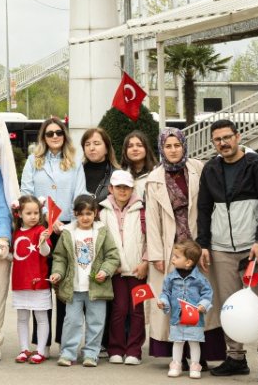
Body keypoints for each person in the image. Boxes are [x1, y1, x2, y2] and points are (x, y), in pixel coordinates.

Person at [197, 119, 258, 382]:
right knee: (228, 305)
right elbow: (203, 209)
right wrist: (203, 244)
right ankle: (235, 357)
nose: (223, 143)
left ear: (238, 136)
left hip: (253, 248)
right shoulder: (210, 169)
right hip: (221, 249)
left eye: (227, 137)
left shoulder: (257, 165)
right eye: (218, 139)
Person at [143, 127, 213, 361]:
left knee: (198, 294)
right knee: (173, 295)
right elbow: (152, 220)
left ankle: (199, 355)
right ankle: (176, 355)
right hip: (169, 245)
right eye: (168, 146)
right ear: (161, 149)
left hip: (196, 241)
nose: (173, 150)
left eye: (177, 145)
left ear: (184, 146)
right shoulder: (154, 178)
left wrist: (205, 242)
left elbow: (208, 206)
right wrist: (156, 254)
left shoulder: (198, 169)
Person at [49, 194, 119, 368]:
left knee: (96, 322)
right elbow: (60, 257)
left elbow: (112, 255)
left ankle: (91, 354)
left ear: (95, 213)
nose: (85, 217)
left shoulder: (102, 231)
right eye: (81, 214)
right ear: (74, 214)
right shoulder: (68, 232)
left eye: (89, 213)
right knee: (72, 322)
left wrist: (105, 271)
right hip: (73, 288)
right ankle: (68, 353)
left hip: (97, 287)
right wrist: (57, 273)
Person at [101, 170, 148, 365]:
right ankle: (116, 348)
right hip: (117, 270)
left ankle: (134, 350)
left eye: (126, 187)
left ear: (132, 188)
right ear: (110, 188)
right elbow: (100, 241)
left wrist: (145, 261)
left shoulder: (142, 209)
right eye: (118, 187)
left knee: (137, 310)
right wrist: (109, 265)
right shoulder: (103, 212)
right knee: (119, 309)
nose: (122, 191)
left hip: (138, 270)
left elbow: (150, 238)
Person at [158, 239, 213, 378]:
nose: (173, 259)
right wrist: (163, 301)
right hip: (177, 318)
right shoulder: (170, 278)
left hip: (194, 319)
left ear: (188, 262)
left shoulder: (200, 279)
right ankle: (176, 364)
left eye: (177, 257)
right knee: (177, 342)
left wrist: (203, 304)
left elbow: (207, 293)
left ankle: (195, 365)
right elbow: (165, 292)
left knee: (194, 342)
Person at [10, 195, 53, 364]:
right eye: (29, 213)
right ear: (19, 214)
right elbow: (12, 256)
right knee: (22, 318)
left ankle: (40, 351)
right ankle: (24, 349)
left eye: (36, 213)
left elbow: (46, 253)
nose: (33, 216)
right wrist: (2, 251)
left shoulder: (41, 230)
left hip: (38, 282)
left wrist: (43, 241)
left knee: (41, 317)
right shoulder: (16, 233)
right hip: (20, 282)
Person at [20, 116, 85, 223]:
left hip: (68, 224)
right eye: (50, 134)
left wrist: (73, 224)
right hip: (39, 224)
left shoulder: (76, 162)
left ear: (64, 136)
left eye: (59, 133)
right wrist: (45, 214)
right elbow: (27, 193)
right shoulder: (32, 161)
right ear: (44, 138)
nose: (55, 136)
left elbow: (80, 194)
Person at [80, 128, 121, 202]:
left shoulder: (118, 174)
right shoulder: (76, 172)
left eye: (96, 144)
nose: (91, 148)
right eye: (87, 144)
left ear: (107, 149)